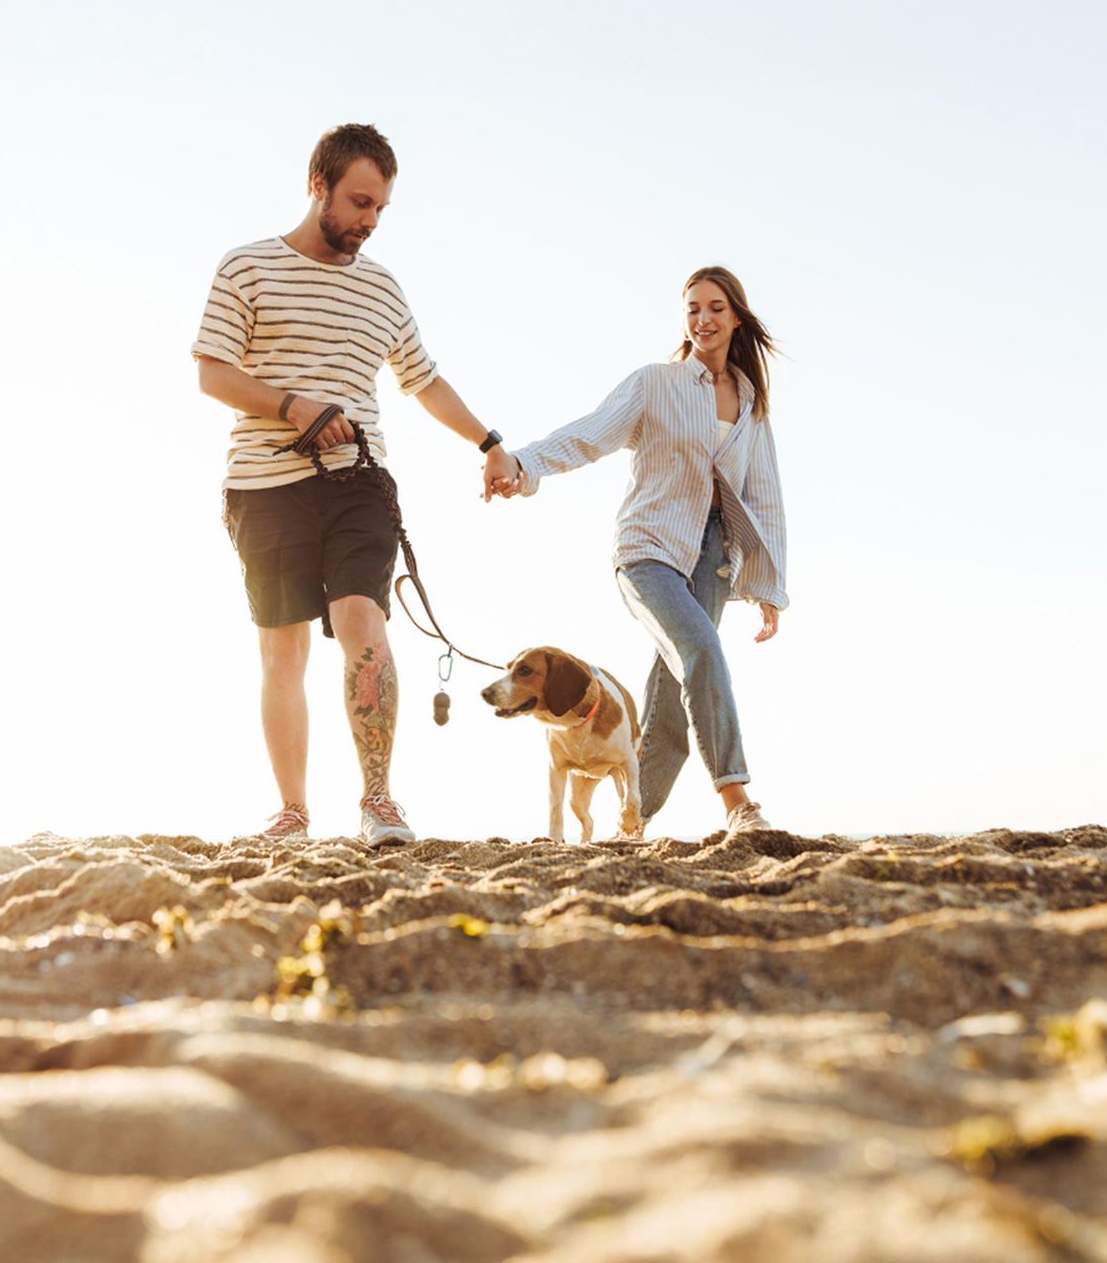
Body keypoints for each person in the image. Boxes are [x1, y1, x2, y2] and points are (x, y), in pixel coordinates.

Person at [192, 123, 515, 844]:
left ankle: (379, 800)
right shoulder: (245, 267)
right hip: (264, 486)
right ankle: (292, 811)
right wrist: (292, 406)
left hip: (359, 486)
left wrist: (488, 443)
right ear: (318, 187)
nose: (369, 221)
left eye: (381, 209)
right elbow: (212, 372)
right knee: (282, 650)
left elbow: (422, 381)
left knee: (361, 622)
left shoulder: (382, 289)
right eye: (360, 203)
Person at [488, 266, 788, 836]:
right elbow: (591, 433)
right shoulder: (656, 383)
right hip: (648, 549)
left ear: (737, 317)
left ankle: (635, 819)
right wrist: (523, 465)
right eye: (693, 308)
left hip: (713, 559)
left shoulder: (751, 403)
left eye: (716, 308)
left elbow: (764, 493)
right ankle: (738, 802)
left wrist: (767, 585)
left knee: (674, 695)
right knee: (700, 650)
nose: (703, 319)